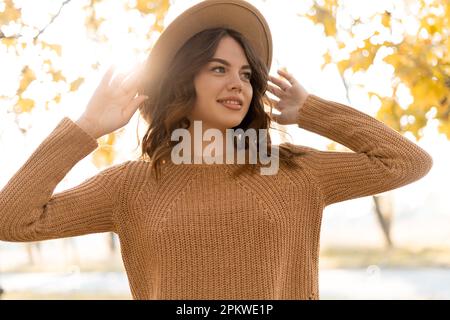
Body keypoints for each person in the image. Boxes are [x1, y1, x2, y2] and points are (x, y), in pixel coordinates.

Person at [0, 0, 433, 300]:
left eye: (246, 74)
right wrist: (86, 127)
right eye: (218, 69)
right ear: (184, 80)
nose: (237, 84)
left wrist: (313, 111)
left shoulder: (291, 170)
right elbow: (12, 219)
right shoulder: (131, 185)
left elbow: (408, 162)